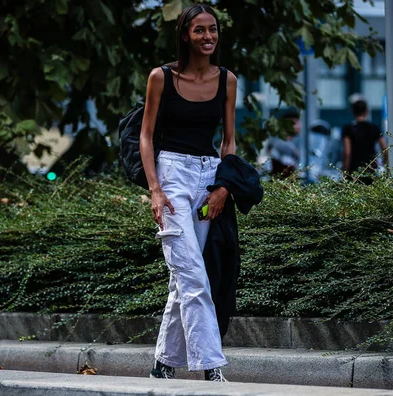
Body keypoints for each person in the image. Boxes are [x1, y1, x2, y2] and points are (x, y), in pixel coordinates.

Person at [139, 4, 237, 382]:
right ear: (185, 35)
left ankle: (163, 365)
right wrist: (155, 191)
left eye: (212, 29)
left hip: (207, 179)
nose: (208, 36)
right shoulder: (161, 77)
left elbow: (228, 141)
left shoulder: (227, 79)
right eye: (199, 30)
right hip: (172, 175)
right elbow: (145, 136)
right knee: (194, 276)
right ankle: (211, 366)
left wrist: (223, 187)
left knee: (185, 276)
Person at [342, 99, 388, 183]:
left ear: (353, 111)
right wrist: (386, 167)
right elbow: (385, 148)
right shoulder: (374, 128)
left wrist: (345, 173)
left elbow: (347, 153)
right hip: (370, 168)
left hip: (354, 169)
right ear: (366, 111)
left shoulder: (348, 129)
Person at [258, 109, 301, 178]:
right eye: (294, 123)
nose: (298, 126)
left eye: (298, 123)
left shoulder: (300, 141)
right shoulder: (276, 142)